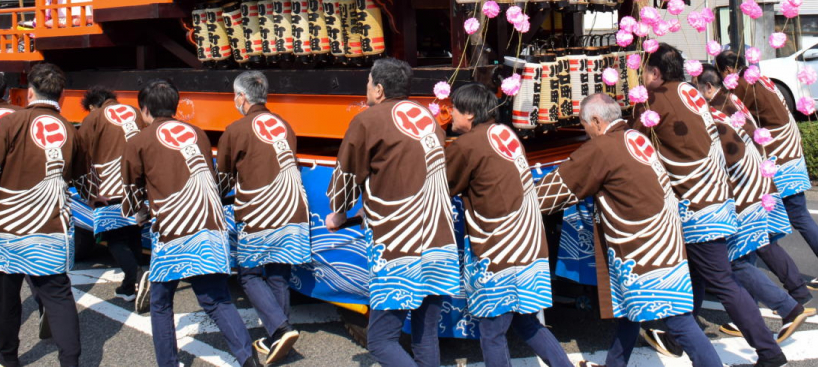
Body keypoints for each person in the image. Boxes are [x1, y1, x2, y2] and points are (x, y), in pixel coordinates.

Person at [535, 93, 721, 367]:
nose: (585, 132)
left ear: (596, 121)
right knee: (629, 310)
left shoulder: (602, 147)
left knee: (677, 319)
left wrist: (513, 203)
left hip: (643, 243)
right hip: (665, 234)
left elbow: (558, 188)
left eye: (584, 125)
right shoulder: (635, 137)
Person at [637, 45, 786, 367]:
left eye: (645, 70)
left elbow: (636, 144)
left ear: (655, 72)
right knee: (698, 274)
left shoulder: (655, 100)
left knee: (723, 280)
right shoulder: (691, 92)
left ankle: (769, 351)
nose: (642, 77)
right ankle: (678, 337)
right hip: (717, 195)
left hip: (696, 205)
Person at [325, 58, 459, 367]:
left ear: (379, 89)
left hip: (398, 246)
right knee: (425, 334)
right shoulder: (428, 119)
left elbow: (346, 177)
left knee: (381, 340)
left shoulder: (367, 120)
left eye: (368, 82)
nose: (367, 88)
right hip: (440, 240)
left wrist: (339, 213)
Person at [121, 79, 260, 367]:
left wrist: (140, 213)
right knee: (216, 299)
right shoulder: (198, 134)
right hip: (210, 226)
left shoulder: (139, 141)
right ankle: (248, 359)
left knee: (161, 303)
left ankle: (168, 363)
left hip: (173, 231)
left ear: (144, 110)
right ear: (175, 106)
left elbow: (132, 191)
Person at [0, 62, 85, 367]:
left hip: (7, 226)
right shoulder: (71, 130)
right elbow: (81, 178)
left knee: (6, 298)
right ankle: (70, 362)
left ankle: (8, 356)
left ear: (30, 92)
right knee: (59, 297)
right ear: (62, 95)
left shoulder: (11, 122)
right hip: (52, 226)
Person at [444, 83, 572, 367]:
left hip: (499, 250)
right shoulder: (505, 133)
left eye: (454, 108)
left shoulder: (468, 144)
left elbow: (443, 186)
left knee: (492, 331)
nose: (450, 113)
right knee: (526, 322)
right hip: (528, 244)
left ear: (469, 113)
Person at [696, 67, 815, 343]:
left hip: (744, 192)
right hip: (756, 185)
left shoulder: (716, 112)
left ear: (709, 87)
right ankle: (782, 302)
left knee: (738, 259)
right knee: (751, 251)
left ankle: (789, 304)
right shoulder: (729, 101)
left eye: (697, 89)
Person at [717, 50, 818, 293]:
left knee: (785, 216)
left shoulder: (741, 86)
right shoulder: (759, 78)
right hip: (790, 151)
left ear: (728, 71)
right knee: (787, 216)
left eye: (722, 73)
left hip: (779, 156)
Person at [216, 71, 311, 365]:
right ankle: (277, 339)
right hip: (293, 208)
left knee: (249, 274)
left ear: (242, 97)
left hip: (260, 210)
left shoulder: (236, 129)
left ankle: (281, 328)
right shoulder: (284, 125)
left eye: (235, 96)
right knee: (278, 273)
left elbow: (224, 175)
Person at [77, 87, 144, 303]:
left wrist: (88, 192)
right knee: (133, 234)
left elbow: (80, 154)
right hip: (137, 185)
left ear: (91, 106)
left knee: (114, 236)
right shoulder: (135, 112)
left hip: (109, 187)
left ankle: (137, 276)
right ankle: (129, 287)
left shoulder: (95, 117)